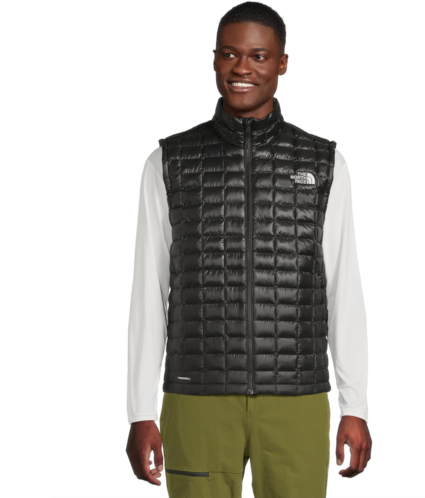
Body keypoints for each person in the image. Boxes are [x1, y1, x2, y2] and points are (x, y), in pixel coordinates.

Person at [126, 2, 372, 497]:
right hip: (197, 399)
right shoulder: (169, 162)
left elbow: (342, 289)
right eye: (230, 54)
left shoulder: (323, 163)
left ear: (282, 63)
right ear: (214, 60)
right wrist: (139, 411)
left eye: (258, 56)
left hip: (296, 398)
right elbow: (149, 292)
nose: (242, 68)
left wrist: (356, 405)